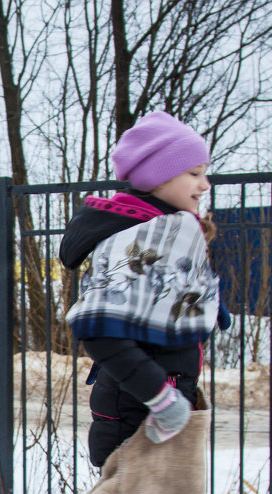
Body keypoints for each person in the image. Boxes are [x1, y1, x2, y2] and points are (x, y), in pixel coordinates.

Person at [60, 111, 231, 468]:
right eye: (194, 174)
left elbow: (160, 288)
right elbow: (101, 331)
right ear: (159, 177)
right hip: (138, 415)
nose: (205, 185)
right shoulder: (138, 238)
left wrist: (200, 300)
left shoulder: (163, 230)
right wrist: (160, 398)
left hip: (153, 406)